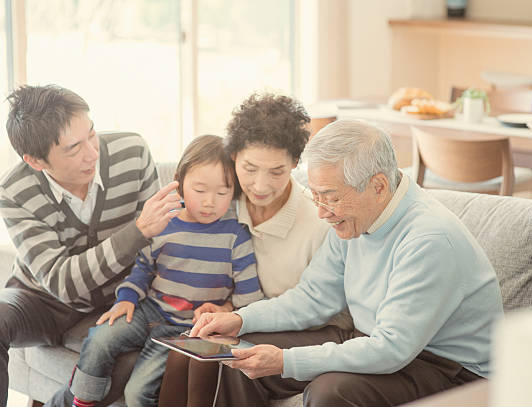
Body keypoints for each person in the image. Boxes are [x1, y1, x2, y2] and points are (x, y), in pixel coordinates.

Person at [188, 119, 504, 407]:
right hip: (371, 337)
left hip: (448, 367)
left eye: (331, 197)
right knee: (240, 354)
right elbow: (313, 298)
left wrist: (285, 360)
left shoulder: (428, 239)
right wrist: (242, 320)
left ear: (378, 187)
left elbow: (391, 349)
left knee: (330, 393)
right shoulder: (354, 219)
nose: (322, 212)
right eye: (316, 196)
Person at [0, 84, 183, 407]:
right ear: (35, 161)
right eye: (73, 148)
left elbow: (157, 248)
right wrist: (136, 231)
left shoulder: (132, 152)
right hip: (41, 301)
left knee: (124, 364)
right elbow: (63, 282)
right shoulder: (14, 190)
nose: (93, 152)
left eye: (91, 134)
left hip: (115, 299)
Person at [47, 134, 265, 407]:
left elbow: (250, 299)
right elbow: (142, 268)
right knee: (100, 338)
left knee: (138, 393)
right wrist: (126, 298)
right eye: (200, 190)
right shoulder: (165, 224)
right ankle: (82, 401)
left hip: (189, 329)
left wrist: (225, 311)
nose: (210, 202)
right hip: (151, 310)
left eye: (222, 193)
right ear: (179, 182)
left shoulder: (236, 236)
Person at [158, 93, 332, 407]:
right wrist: (226, 308)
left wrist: (238, 318)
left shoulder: (318, 224)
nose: (260, 185)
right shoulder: (222, 202)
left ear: (295, 163)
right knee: (184, 351)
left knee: (210, 356)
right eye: (249, 168)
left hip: (305, 330)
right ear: (234, 155)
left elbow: (320, 308)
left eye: (276, 171)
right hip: (247, 319)